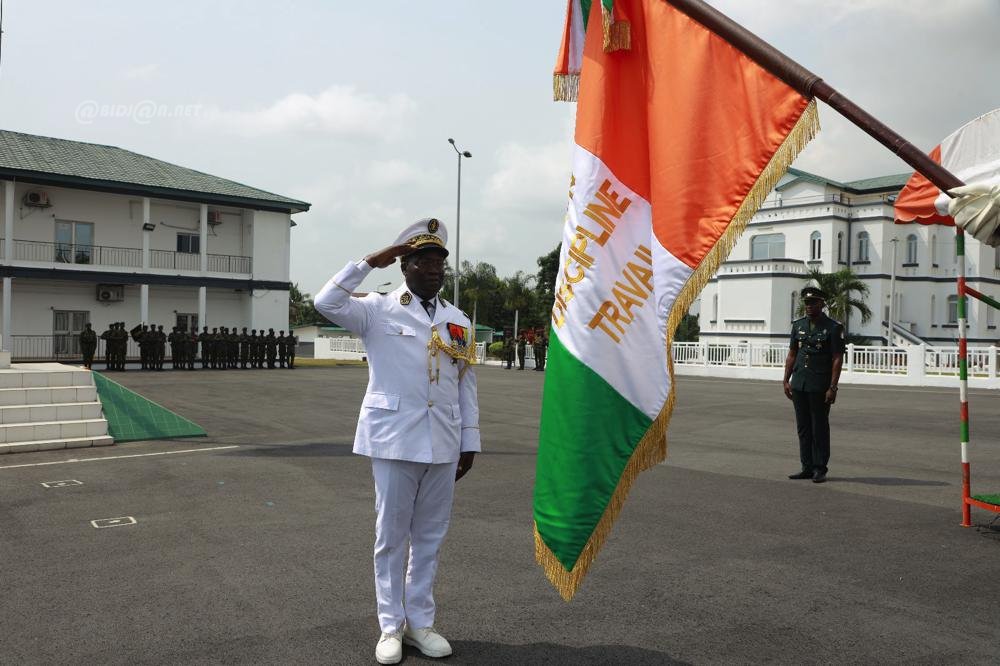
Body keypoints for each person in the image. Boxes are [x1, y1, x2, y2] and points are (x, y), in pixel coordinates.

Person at [314, 218, 480, 665]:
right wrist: (371, 261)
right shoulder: (375, 308)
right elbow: (324, 300)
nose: (433, 270)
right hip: (393, 438)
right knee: (390, 536)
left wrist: (470, 440)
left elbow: (465, 384)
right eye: (423, 261)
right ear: (403, 266)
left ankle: (420, 624)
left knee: (430, 536)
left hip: (443, 441)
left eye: (439, 263)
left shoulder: (457, 320)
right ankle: (391, 626)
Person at [783, 286, 845, 484]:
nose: (809, 306)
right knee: (803, 427)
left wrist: (833, 387)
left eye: (814, 303)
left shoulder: (833, 327)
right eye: (807, 303)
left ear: (822, 304)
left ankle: (820, 468)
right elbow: (792, 353)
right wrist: (786, 379)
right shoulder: (798, 325)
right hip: (799, 382)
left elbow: (837, 358)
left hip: (820, 384)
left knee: (819, 427)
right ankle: (807, 467)